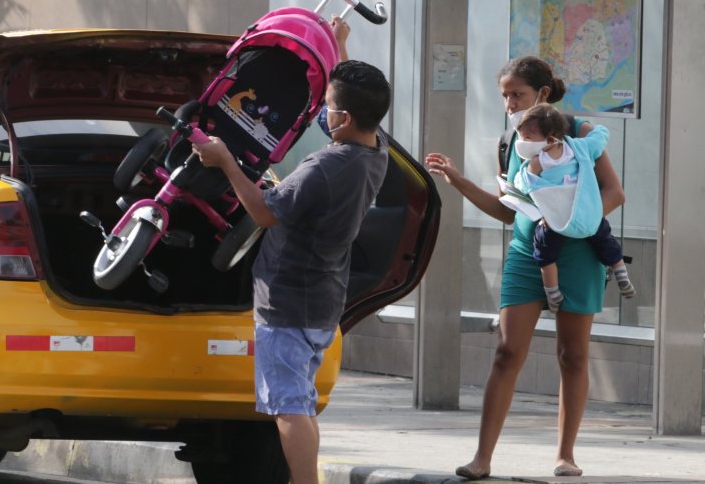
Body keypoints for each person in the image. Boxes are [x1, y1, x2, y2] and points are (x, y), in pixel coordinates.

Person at [424, 56, 625, 480]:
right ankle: (482, 459)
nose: (509, 103)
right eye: (504, 96)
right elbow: (507, 209)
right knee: (506, 351)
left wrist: (573, 225)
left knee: (573, 355)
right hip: (525, 252)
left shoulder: (578, 133)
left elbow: (613, 192)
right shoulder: (509, 141)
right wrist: (459, 181)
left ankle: (565, 455)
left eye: (517, 94)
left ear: (543, 95)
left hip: (578, 252)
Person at [193, 58, 391, 484]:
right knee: (299, 402)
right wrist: (338, 51)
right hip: (321, 299)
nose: (323, 109)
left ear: (346, 117)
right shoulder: (377, 151)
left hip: (288, 301)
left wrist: (226, 161)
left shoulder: (327, 167)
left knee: (288, 408)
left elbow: (264, 213)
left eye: (329, 104)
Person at [509, 103, 635, 311]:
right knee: (604, 238)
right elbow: (599, 139)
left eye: (527, 138)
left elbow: (521, 185)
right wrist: (598, 129)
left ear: (549, 139)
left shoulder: (538, 162)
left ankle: (553, 292)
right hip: (584, 215)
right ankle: (619, 270)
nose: (522, 142)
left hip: (555, 221)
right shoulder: (578, 148)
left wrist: (524, 173)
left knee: (544, 253)